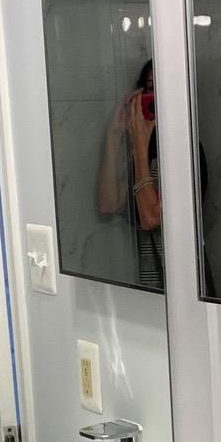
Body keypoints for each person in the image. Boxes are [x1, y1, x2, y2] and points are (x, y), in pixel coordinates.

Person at [98, 59, 164, 288]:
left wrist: (139, 146)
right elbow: (109, 204)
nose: (157, 98)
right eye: (152, 89)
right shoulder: (135, 148)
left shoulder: (187, 152)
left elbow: (151, 218)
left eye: (165, 89)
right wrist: (114, 134)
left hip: (179, 280)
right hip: (137, 278)